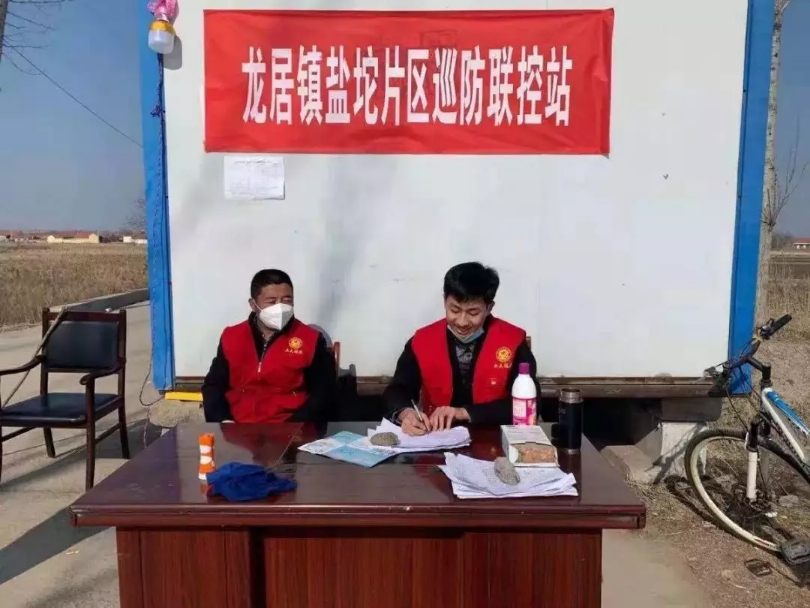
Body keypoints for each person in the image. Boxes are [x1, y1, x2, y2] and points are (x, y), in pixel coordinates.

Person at [383, 262, 539, 436]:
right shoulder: (422, 341)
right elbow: (397, 389)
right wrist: (405, 413)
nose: (462, 322)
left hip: (495, 439)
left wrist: (464, 412)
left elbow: (531, 404)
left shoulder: (512, 341)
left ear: (489, 308)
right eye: (455, 310)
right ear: (445, 302)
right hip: (435, 438)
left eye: (473, 313)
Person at [202, 269, 337, 424]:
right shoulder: (231, 336)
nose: (280, 307)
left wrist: (295, 428)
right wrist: (223, 421)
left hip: (290, 426)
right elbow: (213, 386)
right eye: (271, 302)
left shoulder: (310, 339)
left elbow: (323, 393)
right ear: (253, 305)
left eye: (286, 300)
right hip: (237, 426)